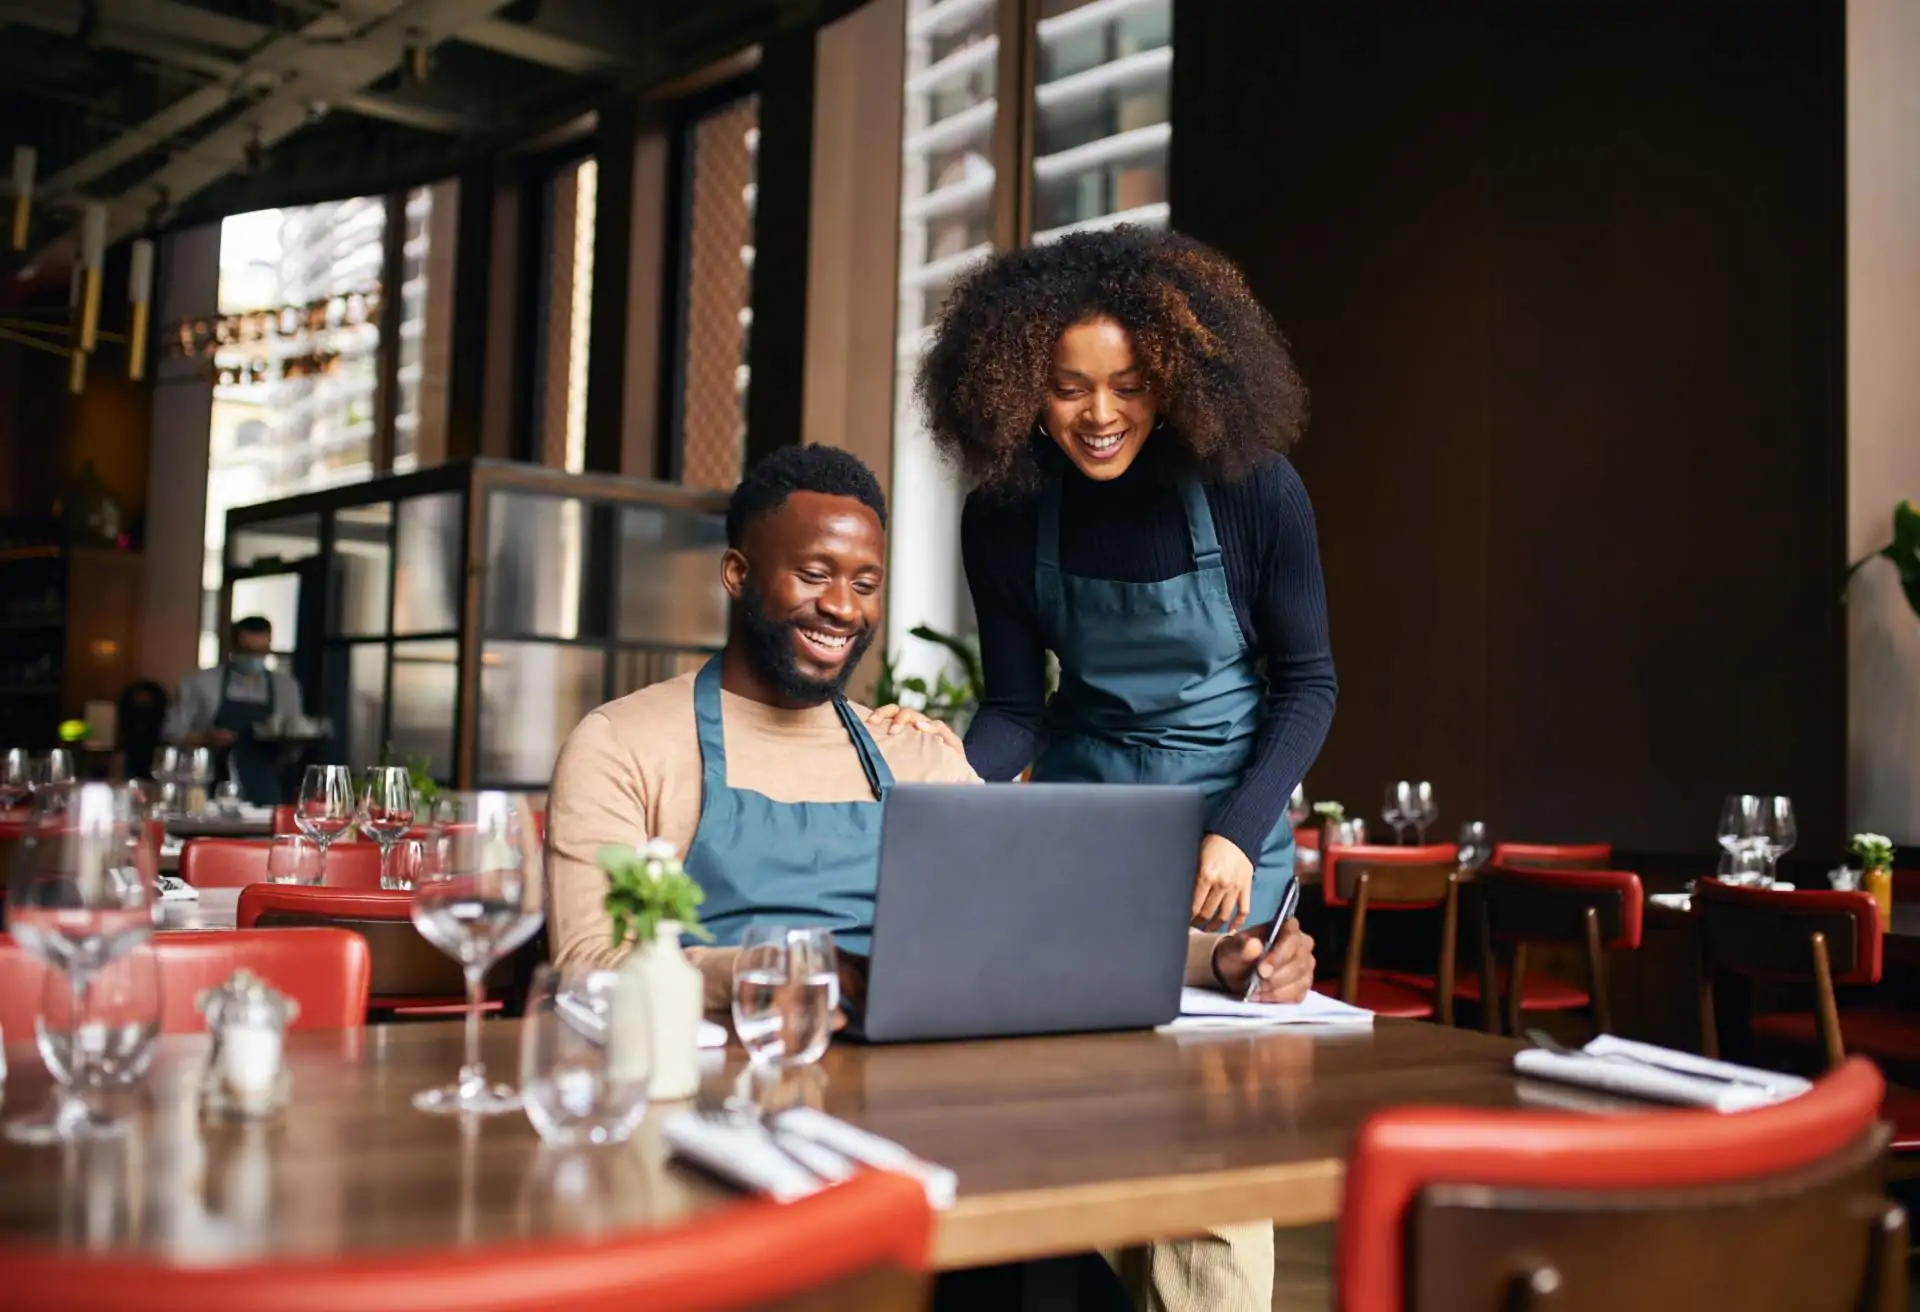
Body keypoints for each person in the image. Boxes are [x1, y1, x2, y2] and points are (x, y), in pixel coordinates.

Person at [546, 445, 1314, 1312]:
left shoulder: (916, 750)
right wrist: (784, 974)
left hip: (932, 1132)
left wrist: (1219, 959)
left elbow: (1044, 934)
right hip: (732, 1133)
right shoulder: (624, 746)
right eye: (813, 574)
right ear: (736, 572)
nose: (841, 606)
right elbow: (588, 973)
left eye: (866, 582)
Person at [873, 226, 1336, 942]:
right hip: (1078, 824)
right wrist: (944, 771)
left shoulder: (1255, 491)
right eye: (1067, 389)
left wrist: (1241, 833)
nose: (1099, 416)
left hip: (1225, 837)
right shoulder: (1005, 517)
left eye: (1130, 386)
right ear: (1023, 386)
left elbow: (1308, 685)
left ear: (1175, 381)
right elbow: (1016, 713)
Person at [161, 616, 305, 805]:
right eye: (248, 651)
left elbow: (294, 749)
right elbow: (170, 733)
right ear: (233, 648)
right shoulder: (199, 683)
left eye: (261, 652)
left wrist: (289, 741)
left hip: (266, 789)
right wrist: (205, 738)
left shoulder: (286, 687)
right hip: (207, 789)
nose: (255, 658)